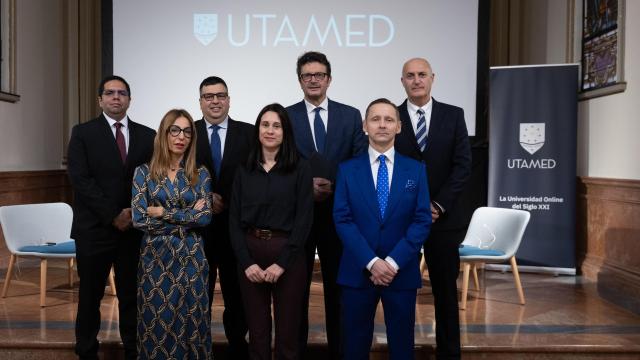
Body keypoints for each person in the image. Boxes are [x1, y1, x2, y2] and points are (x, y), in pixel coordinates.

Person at [333, 98, 431, 359]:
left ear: (399, 126)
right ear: (365, 126)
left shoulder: (416, 170)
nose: (382, 125)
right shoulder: (347, 170)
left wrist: (392, 262)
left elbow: (421, 220)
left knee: (401, 347)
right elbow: (342, 219)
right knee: (353, 346)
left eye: (389, 119)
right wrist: (372, 261)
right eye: (375, 119)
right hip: (357, 271)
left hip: (401, 272)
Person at [285, 51, 367, 358]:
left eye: (319, 75)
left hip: (340, 216)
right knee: (296, 292)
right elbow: (280, 163)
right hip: (298, 217)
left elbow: (360, 162)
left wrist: (336, 186)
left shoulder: (350, 115)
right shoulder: (285, 116)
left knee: (339, 291)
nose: (314, 80)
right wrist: (306, 186)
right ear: (300, 81)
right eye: (307, 75)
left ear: (329, 79)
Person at [67, 75, 156, 359]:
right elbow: (80, 180)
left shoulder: (148, 135)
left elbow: (153, 180)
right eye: (110, 93)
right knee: (90, 297)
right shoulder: (83, 132)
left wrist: (133, 213)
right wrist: (112, 214)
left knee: (132, 297)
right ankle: (86, 351)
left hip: (133, 229)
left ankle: (134, 349)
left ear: (130, 99)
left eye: (122, 93)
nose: (116, 97)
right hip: (94, 230)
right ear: (100, 99)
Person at [395, 58, 472, 359]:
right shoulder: (391, 116)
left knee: (445, 293)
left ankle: (449, 354)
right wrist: (414, 206)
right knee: (401, 292)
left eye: (422, 75)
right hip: (403, 219)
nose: (416, 80)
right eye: (410, 76)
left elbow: (463, 166)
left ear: (433, 78)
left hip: (444, 220)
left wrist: (437, 205)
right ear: (402, 81)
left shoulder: (454, 115)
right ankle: (402, 351)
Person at [229, 103, 313, 360]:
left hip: (287, 253)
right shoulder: (244, 168)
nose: (270, 130)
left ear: (285, 131)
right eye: (265, 125)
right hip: (251, 252)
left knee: (288, 333)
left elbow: (304, 219)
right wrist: (246, 262)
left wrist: (282, 264)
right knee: (257, 332)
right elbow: (233, 219)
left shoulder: (300, 167)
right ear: (258, 130)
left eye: (276, 126)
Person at [131, 109, 213, 359]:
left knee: (194, 324)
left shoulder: (201, 174)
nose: (181, 137)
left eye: (187, 131)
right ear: (164, 134)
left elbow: (206, 217)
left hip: (192, 259)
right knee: (157, 325)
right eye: (175, 130)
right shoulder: (143, 173)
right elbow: (139, 219)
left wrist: (163, 212)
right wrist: (187, 216)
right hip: (155, 260)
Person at [194, 76, 253, 359]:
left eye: (220, 96)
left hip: (235, 228)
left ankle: (238, 348)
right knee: (198, 294)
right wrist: (203, 198)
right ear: (201, 101)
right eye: (208, 96)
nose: (215, 101)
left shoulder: (249, 133)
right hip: (197, 230)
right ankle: (199, 347)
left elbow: (255, 178)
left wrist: (227, 202)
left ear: (229, 100)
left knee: (236, 295)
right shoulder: (187, 133)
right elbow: (173, 177)